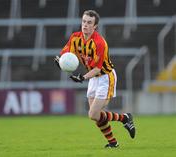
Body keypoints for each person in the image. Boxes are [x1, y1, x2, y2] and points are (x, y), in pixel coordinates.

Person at [55, 10, 136, 148]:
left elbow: (98, 69)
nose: (85, 25)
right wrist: (60, 61)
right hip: (93, 79)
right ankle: (116, 136)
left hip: (106, 77)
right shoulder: (75, 37)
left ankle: (124, 120)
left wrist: (82, 77)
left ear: (95, 26)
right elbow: (65, 55)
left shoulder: (99, 43)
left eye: (89, 22)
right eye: (84, 21)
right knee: (94, 115)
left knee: (93, 113)